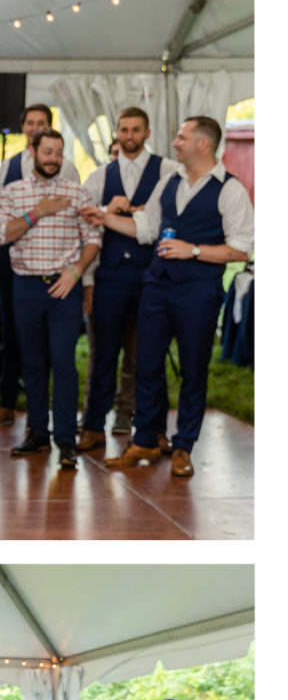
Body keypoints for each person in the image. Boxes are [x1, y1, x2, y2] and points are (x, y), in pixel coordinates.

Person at [96, 115, 252, 478]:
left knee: (193, 370)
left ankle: (184, 446)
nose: (175, 142)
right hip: (156, 286)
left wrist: (192, 250)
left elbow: (242, 249)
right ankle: (146, 439)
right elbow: (145, 228)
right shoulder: (169, 181)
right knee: (147, 365)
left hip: (198, 291)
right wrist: (102, 218)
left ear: (203, 143)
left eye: (181, 137)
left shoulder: (230, 189)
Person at [0, 130, 102, 470]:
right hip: (25, 287)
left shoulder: (76, 192)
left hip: (63, 288)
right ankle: (37, 433)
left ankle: (66, 440)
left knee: (64, 363)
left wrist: (77, 271)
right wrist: (35, 213)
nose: (53, 158)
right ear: (34, 152)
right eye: (47, 152)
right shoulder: (14, 192)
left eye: (58, 153)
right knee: (33, 364)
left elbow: (94, 237)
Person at [78, 107, 173, 451]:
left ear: (147, 132)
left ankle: (155, 429)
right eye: (123, 130)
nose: (129, 136)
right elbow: (86, 222)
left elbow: (166, 217)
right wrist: (109, 210)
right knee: (104, 353)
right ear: (116, 133)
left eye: (135, 130)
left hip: (153, 276)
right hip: (110, 277)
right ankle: (92, 426)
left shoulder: (167, 171)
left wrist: (128, 213)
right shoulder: (101, 176)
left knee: (150, 354)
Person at [0, 104, 81, 430]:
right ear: (25, 129)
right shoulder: (11, 167)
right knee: (15, 337)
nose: (34, 126)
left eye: (41, 122)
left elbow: (80, 224)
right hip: (17, 263)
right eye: (30, 122)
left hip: (58, 268)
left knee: (58, 355)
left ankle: (61, 431)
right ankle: (10, 405)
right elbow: (0, 214)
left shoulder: (65, 169)